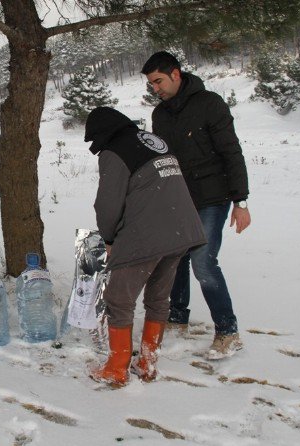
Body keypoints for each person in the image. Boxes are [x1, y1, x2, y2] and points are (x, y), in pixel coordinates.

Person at [85, 107, 206, 387]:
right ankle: (148, 363)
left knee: (119, 299)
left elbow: (107, 204)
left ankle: (116, 369)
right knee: (158, 298)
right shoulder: (151, 140)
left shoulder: (114, 151)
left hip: (148, 234)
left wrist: (110, 238)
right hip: (180, 230)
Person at [141, 51, 251, 359]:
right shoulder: (160, 114)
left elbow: (232, 151)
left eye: (159, 81)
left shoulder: (210, 104)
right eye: (151, 84)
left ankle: (228, 331)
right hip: (178, 198)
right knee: (174, 259)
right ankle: (177, 317)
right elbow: (162, 159)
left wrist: (240, 200)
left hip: (213, 198)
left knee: (203, 262)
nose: (155, 89)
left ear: (176, 74)